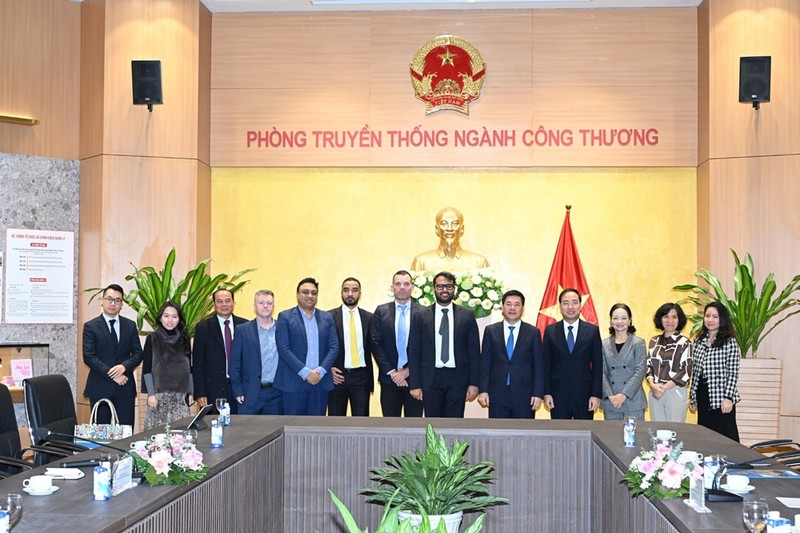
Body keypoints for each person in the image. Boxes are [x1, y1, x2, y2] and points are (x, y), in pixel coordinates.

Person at [407, 271, 480, 418]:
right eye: (440, 286)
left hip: (457, 378)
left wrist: (474, 383)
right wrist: (415, 384)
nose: (444, 290)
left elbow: (474, 352)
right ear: (434, 288)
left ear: (455, 289)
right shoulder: (420, 316)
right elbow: (414, 351)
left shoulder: (467, 315)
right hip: (430, 378)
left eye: (449, 286)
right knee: (432, 425)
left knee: (455, 424)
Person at [274, 277, 338, 416]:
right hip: (294, 382)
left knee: (316, 428)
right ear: (297, 295)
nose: (310, 296)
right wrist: (306, 372)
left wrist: (320, 371)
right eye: (305, 292)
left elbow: (334, 347)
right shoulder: (285, 317)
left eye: (314, 293)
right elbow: (283, 348)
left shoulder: (327, 317)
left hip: (320, 382)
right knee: (293, 429)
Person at [477, 289, 545, 419]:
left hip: (525, 396)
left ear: (522, 308)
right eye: (508, 304)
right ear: (502, 307)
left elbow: (538, 366)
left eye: (517, 304)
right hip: (497, 394)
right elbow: (485, 363)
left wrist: (538, 393)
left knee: (523, 435)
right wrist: (483, 391)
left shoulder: (533, 332)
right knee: (498, 434)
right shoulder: (491, 331)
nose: (512, 308)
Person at [82, 283, 143, 426]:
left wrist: (124, 367)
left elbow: (138, 353)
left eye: (117, 300)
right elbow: (89, 356)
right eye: (109, 299)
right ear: (102, 301)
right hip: (100, 387)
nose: (112, 303)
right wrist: (113, 374)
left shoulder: (130, 325)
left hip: (125, 387)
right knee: (100, 436)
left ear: (121, 304)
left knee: (126, 433)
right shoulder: (91, 326)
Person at [370, 270, 424, 417]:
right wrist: (393, 373)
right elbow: (375, 344)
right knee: (390, 426)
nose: (402, 287)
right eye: (398, 284)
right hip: (389, 380)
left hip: (415, 380)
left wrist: (407, 371)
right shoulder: (381, 312)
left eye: (406, 284)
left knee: (414, 426)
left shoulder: (424, 313)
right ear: (392, 287)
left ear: (412, 288)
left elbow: (427, 348)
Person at [543, 288, 603, 420]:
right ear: (560, 307)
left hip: (585, 395)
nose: (570, 307)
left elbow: (598, 366)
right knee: (559, 436)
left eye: (574, 302)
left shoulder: (592, 331)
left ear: (580, 305)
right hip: (557, 395)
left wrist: (595, 394)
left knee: (584, 435)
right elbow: (546, 365)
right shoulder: (550, 331)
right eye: (565, 303)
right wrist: (546, 392)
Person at [689, 302, 741, 442]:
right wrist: (693, 396)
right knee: (705, 434)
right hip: (703, 393)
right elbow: (696, 371)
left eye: (715, 317)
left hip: (721, 396)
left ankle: (732, 462)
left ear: (722, 319)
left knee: (726, 435)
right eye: (707, 316)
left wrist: (728, 398)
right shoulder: (699, 340)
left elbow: (733, 372)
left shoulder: (729, 341)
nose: (710, 320)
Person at [191, 289, 247, 413]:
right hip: (213, 390)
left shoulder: (245, 326)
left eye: (228, 300)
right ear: (214, 304)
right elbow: (198, 363)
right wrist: (200, 392)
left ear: (233, 302)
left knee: (242, 428)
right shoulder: (203, 328)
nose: (224, 304)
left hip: (241, 389)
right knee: (215, 428)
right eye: (219, 301)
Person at [229, 290, 283, 415]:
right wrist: (238, 390)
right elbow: (235, 362)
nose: (265, 306)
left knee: (275, 432)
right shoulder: (242, 330)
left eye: (269, 303)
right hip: (249, 393)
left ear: (273, 306)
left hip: (276, 394)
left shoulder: (282, 328)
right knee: (248, 433)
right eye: (261, 303)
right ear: (254, 306)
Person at [142, 300, 192, 430]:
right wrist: (151, 394)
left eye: (174, 316)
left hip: (180, 399)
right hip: (158, 399)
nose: (170, 320)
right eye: (166, 316)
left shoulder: (184, 338)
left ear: (179, 319)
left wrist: (191, 392)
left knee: (180, 438)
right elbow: (146, 370)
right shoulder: (152, 338)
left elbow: (189, 368)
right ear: (160, 318)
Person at [327, 277, 374, 416]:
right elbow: (321, 346)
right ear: (341, 292)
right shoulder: (328, 317)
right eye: (346, 290)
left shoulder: (370, 318)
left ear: (360, 293)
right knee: (335, 422)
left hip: (361, 377)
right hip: (337, 376)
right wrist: (327, 369)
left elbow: (377, 346)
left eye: (354, 290)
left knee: (361, 424)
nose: (350, 294)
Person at [645, 303, 693, 422]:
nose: (670, 320)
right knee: (657, 432)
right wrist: (652, 385)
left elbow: (685, 372)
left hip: (674, 391)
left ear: (679, 319)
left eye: (674, 317)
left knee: (674, 432)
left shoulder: (685, 343)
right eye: (666, 316)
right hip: (655, 391)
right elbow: (648, 366)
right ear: (660, 319)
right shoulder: (654, 341)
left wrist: (664, 388)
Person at [600, 303, 647, 421]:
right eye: (615, 318)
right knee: (611, 438)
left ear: (630, 321)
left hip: (633, 400)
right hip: (611, 402)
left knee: (635, 437)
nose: (619, 321)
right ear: (610, 321)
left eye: (623, 318)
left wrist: (623, 395)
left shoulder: (638, 343)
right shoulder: (604, 344)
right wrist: (611, 396)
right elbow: (601, 371)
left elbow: (640, 371)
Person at [411, 207, 489, 272]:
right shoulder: (421, 261)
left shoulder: (479, 262)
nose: (449, 228)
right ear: (437, 229)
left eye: (455, 224)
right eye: (444, 224)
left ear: (462, 229)